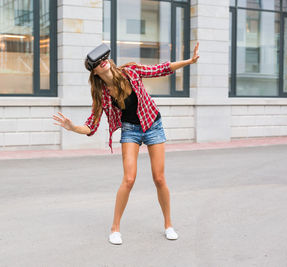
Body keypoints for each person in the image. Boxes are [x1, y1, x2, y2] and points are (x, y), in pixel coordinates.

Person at [53, 42, 199, 245]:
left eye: (104, 59)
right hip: (130, 129)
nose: (103, 63)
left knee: (159, 178)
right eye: (98, 62)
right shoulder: (101, 93)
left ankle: (168, 225)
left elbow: (161, 69)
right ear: (94, 72)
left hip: (152, 124)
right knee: (129, 179)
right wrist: (73, 127)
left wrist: (190, 61)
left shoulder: (131, 71)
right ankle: (115, 229)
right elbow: (91, 126)